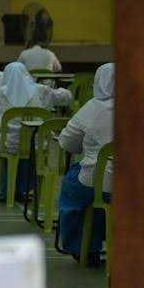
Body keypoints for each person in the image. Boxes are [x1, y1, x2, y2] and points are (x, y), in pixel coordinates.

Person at [0, 61, 73, 200]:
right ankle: (26, 189)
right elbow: (66, 98)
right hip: (37, 143)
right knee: (33, 152)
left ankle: (5, 188)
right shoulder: (42, 90)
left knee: (3, 149)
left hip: (9, 145)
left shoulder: (0, 93)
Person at [57, 63, 114, 263]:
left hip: (95, 180)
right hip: (136, 185)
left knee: (73, 190)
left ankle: (81, 247)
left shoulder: (92, 108)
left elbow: (66, 141)